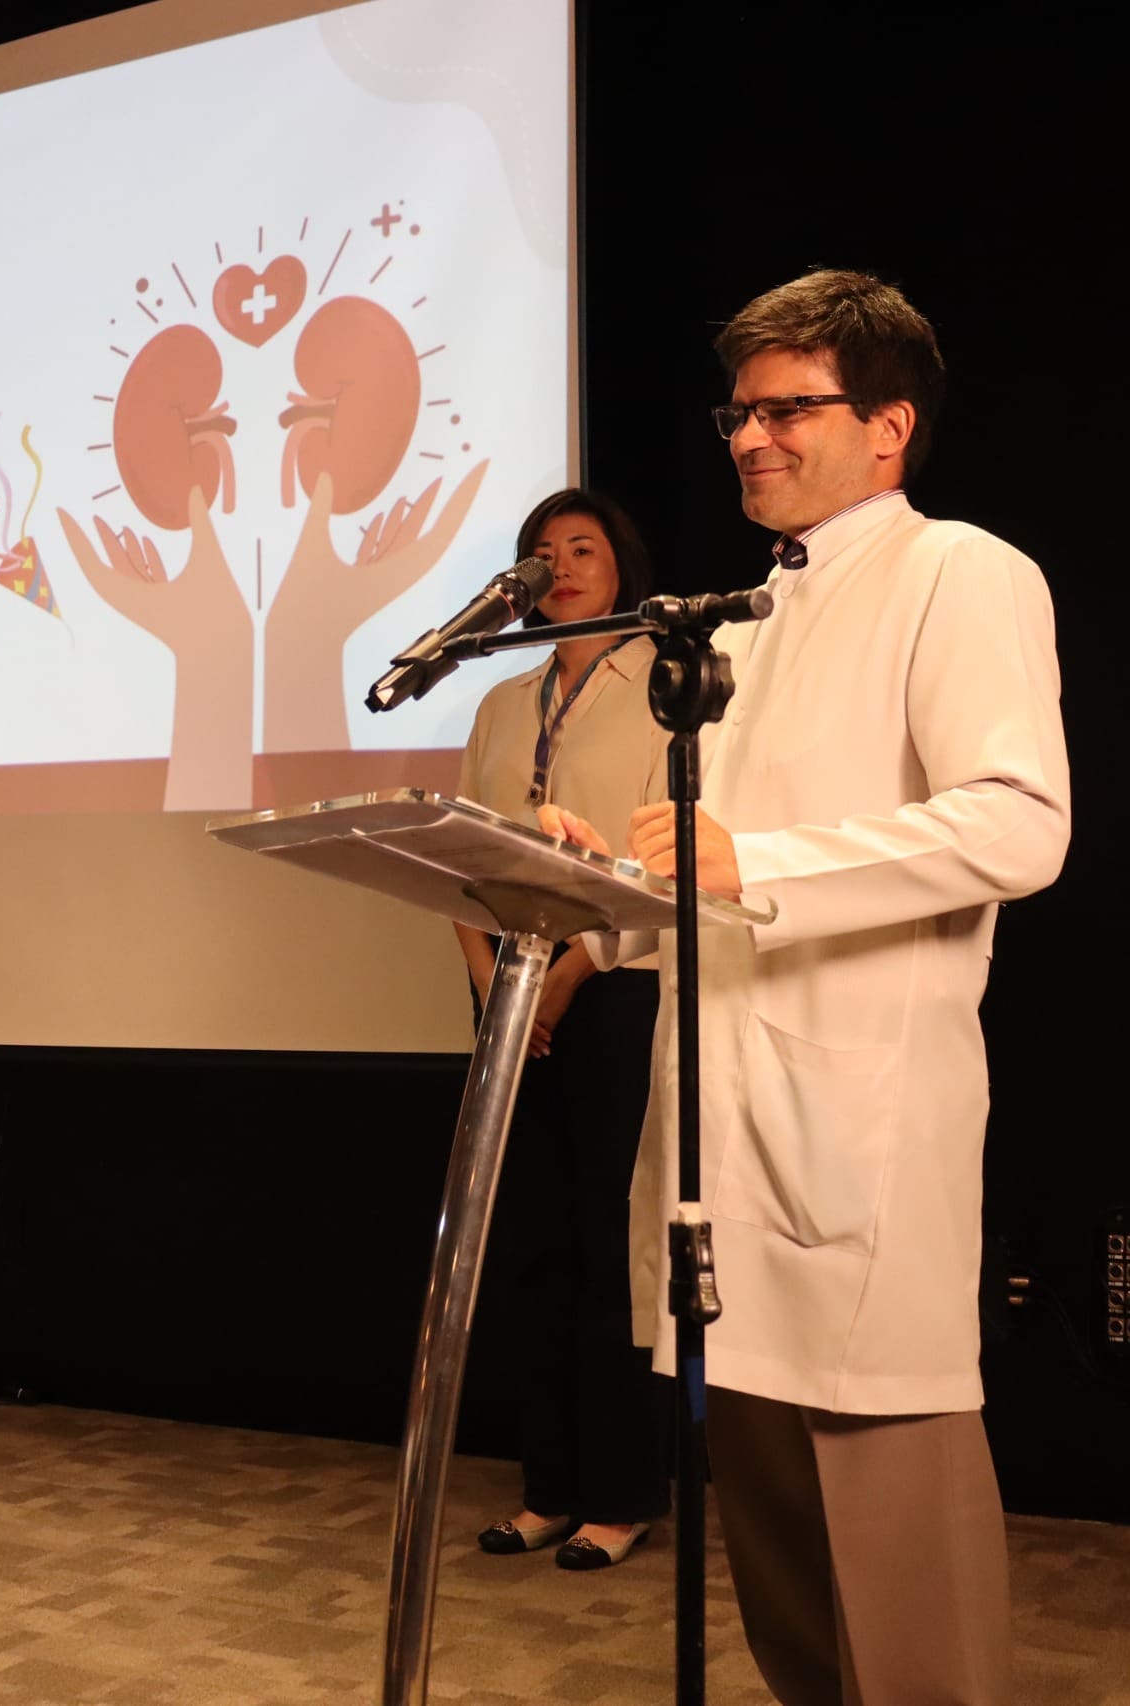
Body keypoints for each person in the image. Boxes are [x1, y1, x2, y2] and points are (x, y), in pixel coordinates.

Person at [541, 271, 1070, 1700]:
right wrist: (601, 891)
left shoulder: (959, 570)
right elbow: (706, 875)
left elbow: (1020, 822)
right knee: (784, 1588)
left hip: (853, 1132)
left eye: (789, 409)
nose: (750, 437)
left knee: (904, 1605)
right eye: (737, 413)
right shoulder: (737, 620)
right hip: (719, 1145)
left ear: (889, 425)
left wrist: (750, 861)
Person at [454, 488, 676, 1571]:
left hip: (618, 990)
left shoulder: (667, 687)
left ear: (622, 562)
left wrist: (570, 973)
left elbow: (662, 862)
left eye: (583, 547)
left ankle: (622, 1495)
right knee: (532, 1249)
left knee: (607, 1249)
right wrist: (494, 982)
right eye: (542, 553)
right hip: (509, 996)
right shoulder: (503, 702)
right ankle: (548, 1487)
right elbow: (465, 855)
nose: (562, 566)